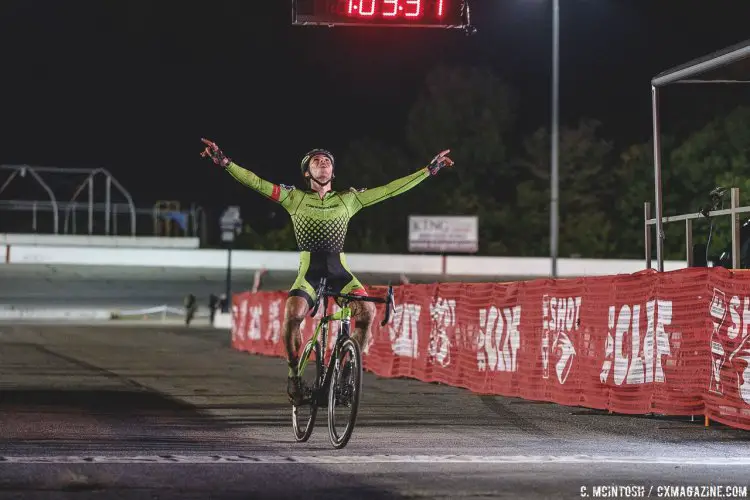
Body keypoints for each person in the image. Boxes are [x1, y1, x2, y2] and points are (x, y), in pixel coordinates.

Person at [200, 138, 454, 404]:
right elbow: (256, 182)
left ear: (333, 172)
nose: (323, 163)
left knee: (368, 311)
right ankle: (294, 377)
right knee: (292, 313)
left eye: (327, 162)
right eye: (316, 162)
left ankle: (347, 370)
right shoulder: (293, 198)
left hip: (339, 272)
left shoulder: (350, 199)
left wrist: (428, 171)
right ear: (307, 173)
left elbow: (391, 190)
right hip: (309, 272)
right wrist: (226, 163)